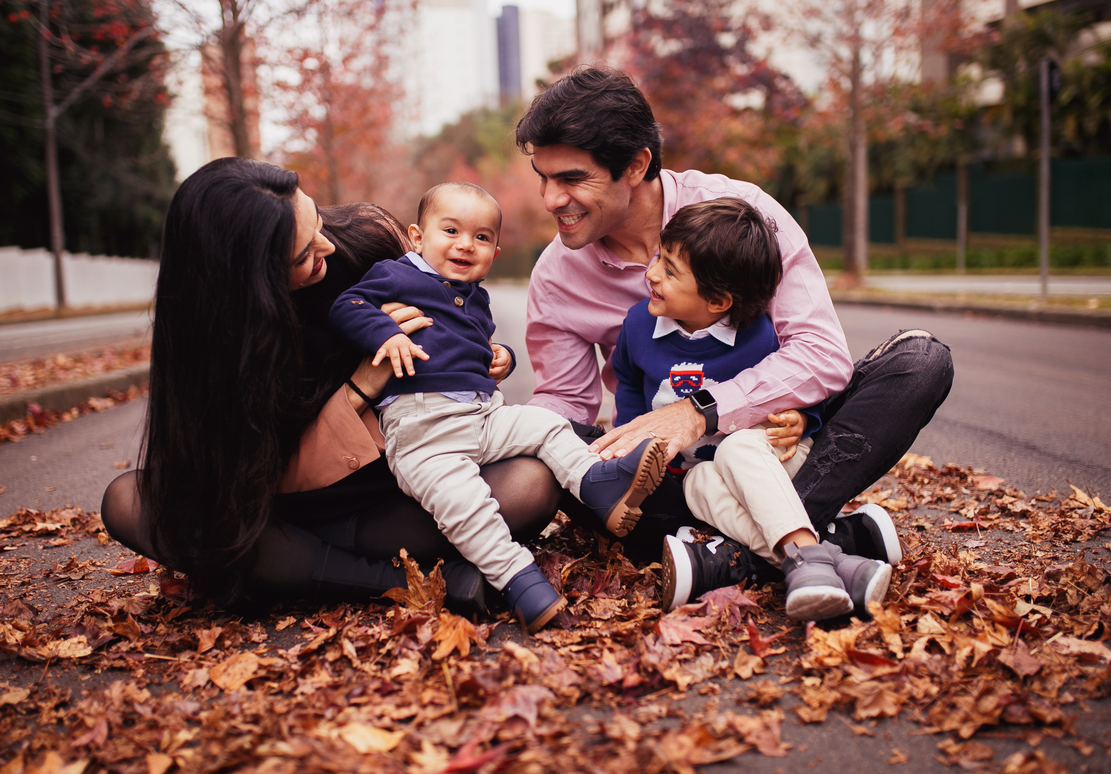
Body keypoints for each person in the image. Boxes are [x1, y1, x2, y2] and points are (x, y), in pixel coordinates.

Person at [515, 65, 953, 586]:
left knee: (920, 362)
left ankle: (731, 559)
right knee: (556, 451)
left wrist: (703, 411)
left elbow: (820, 352)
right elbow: (565, 403)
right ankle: (820, 544)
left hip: (779, 445)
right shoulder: (556, 275)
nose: (550, 200)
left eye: (571, 179)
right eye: (544, 177)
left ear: (635, 165)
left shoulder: (746, 216)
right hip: (673, 477)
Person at [99, 158, 564, 613]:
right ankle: (392, 582)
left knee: (531, 484)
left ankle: (299, 570)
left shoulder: (365, 241)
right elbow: (240, 480)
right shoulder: (211, 343)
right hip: (277, 508)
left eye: (317, 223)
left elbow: (455, 308)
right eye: (302, 253)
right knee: (129, 500)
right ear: (250, 278)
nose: (325, 247)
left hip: (392, 493)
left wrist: (482, 358)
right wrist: (362, 384)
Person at [328, 182, 668, 632]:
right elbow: (346, 305)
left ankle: (597, 484)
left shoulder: (476, 297)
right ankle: (517, 579)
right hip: (422, 430)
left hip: (483, 416)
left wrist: (499, 355)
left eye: (482, 237)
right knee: (466, 506)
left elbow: (471, 347)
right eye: (450, 230)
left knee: (545, 424)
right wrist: (384, 335)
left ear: (495, 250)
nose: (466, 244)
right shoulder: (397, 275)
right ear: (416, 236)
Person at [612, 197, 891, 620]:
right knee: (697, 484)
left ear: (719, 300)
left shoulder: (758, 337)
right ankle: (829, 561)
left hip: (770, 462)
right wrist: (632, 442)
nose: (651, 274)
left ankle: (811, 560)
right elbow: (629, 384)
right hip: (703, 474)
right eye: (659, 257)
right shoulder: (638, 325)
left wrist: (803, 420)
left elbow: (794, 390)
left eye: (670, 270)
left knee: (736, 447)